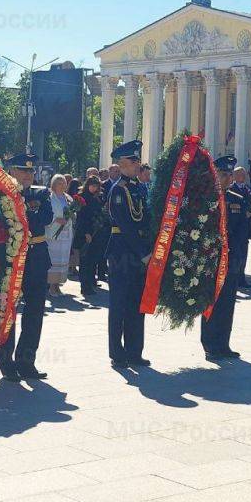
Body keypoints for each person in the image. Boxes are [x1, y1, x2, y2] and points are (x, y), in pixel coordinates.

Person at [0, 153, 54, 382]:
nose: (29, 174)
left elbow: (45, 219)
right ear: (12, 171)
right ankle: (6, 360)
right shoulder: (1, 195)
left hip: (37, 258)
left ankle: (26, 360)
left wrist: (25, 216)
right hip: (11, 259)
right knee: (8, 310)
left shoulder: (41, 193)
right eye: (23, 170)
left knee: (35, 312)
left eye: (31, 171)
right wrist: (30, 214)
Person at [105, 140, 151, 368]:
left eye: (137, 161)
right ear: (122, 164)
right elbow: (125, 225)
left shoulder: (139, 188)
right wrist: (143, 252)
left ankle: (135, 351)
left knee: (136, 304)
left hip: (137, 254)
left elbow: (145, 220)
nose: (137, 165)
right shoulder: (118, 191)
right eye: (133, 162)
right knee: (119, 304)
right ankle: (117, 353)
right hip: (122, 253)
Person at [201, 155, 249, 360]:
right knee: (212, 300)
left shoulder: (237, 200)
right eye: (223, 174)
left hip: (230, 258)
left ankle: (224, 343)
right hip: (212, 257)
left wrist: (235, 254)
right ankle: (210, 343)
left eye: (230, 175)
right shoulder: (205, 198)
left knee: (228, 301)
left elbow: (242, 230)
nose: (228, 178)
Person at [74, 176, 108, 298]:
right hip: (86, 233)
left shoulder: (97, 197)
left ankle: (91, 282)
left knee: (93, 259)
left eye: (96, 186)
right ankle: (85, 286)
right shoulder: (83, 197)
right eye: (92, 185)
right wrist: (86, 233)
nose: (94, 188)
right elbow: (82, 217)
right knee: (85, 261)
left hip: (96, 232)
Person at [46, 174, 74, 296]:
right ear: (54, 184)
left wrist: (71, 217)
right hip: (54, 233)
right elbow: (47, 212)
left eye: (63, 183)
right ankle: (51, 286)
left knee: (63, 258)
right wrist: (56, 219)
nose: (62, 185)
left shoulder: (68, 198)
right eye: (59, 183)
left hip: (66, 232)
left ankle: (58, 285)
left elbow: (72, 211)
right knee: (54, 259)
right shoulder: (50, 198)